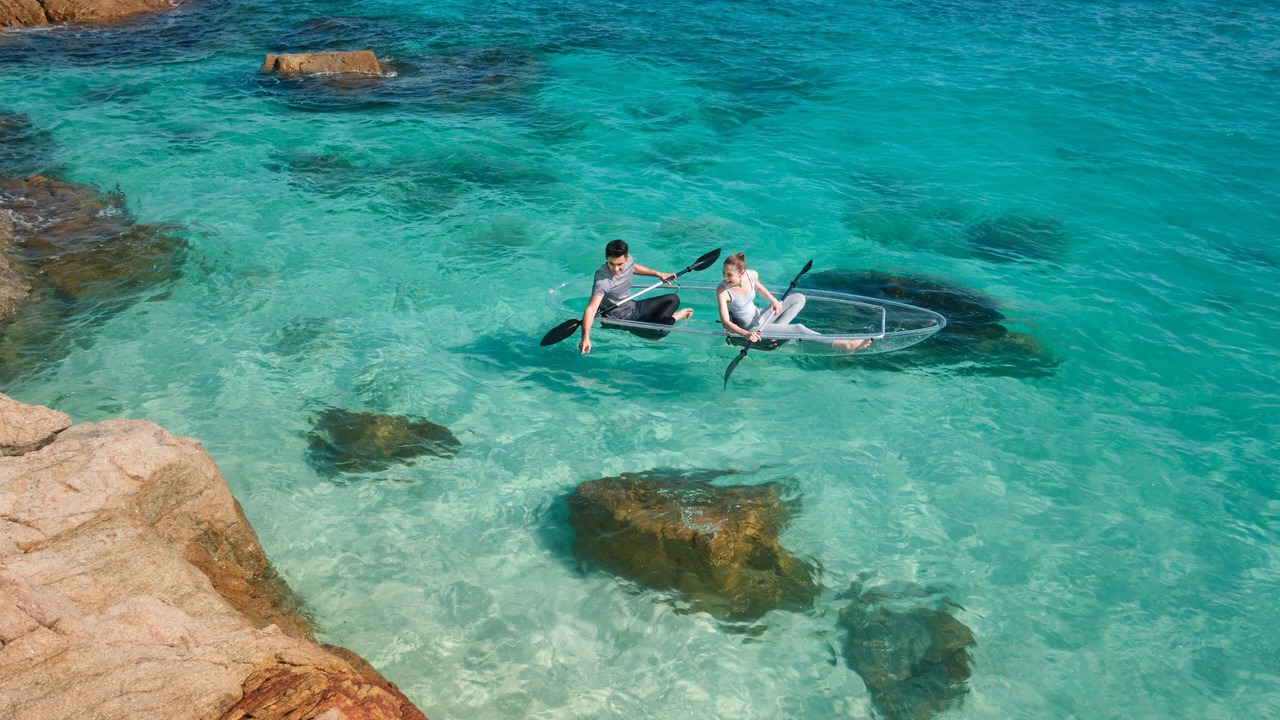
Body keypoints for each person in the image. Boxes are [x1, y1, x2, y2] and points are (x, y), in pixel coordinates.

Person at [715, 252, 871, 352]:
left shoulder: (751, 275)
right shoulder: (722, 290)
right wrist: (747, 334)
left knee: (798, 298)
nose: (725, 277)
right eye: (723, 273)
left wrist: (774, 301)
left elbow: (760, 287)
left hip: (760, 316)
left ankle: (775, 335)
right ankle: (846, 345)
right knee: (799, 328)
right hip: (751, 327)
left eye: (729, 274)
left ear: (742, 273)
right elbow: (725, 323)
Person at [579, 239, 694, 354]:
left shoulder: (629, 261)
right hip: (620, 320)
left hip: (633, 307)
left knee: (673, 300)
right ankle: (675, 317)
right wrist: (585, 338)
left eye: (620, 264)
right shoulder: (602, 280)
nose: (616, 269)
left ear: (626, 258)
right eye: (611, 264)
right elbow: (591, 309)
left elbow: (633, 267)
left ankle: (655, 323)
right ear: (606, 258)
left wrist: (659, 274)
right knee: (661, 331)